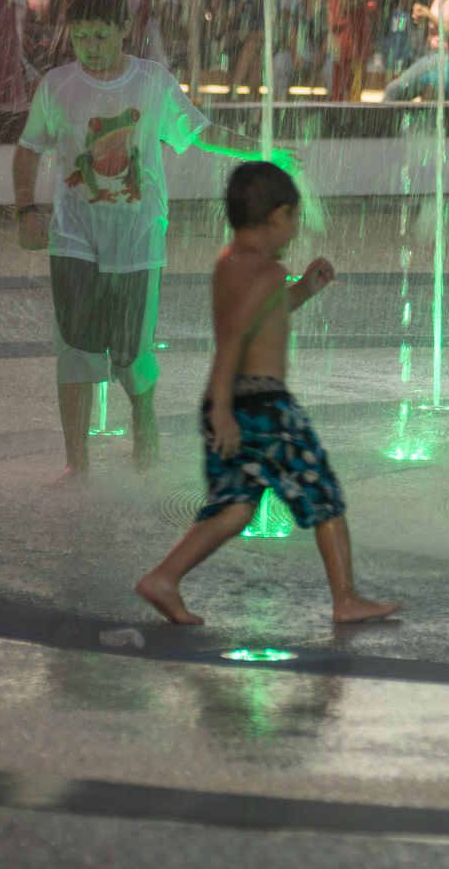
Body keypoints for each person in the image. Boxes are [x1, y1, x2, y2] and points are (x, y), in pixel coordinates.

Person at [12, 0, 272, 481]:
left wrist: (262, 153)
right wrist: (27, 209)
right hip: (74, 237)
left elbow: (200, 132)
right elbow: (28, 149)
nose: (90, 46)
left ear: (125, 29)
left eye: (101, 34)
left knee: (131, 353)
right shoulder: (58, 86)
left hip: (138, 237)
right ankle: (77, 463)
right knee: (76, 348)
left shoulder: (151, 82)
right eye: (81, 34)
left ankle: (144, 419)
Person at [135, 161, 400, 627]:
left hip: (233, 403)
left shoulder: (229, 264)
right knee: (324, 496)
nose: (296, 231)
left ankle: (164, 577)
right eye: (295, 219)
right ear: (277, 216)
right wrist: (224, 410)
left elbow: (259, 319)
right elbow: (235, 338)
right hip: (264, 406)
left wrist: (306, 290)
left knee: (234, 508)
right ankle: (346, 598)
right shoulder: (269, 273)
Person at [271, 0, 332, 93]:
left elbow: (331, 34)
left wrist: (321, 54)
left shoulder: (327, 4)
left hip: (325, 53)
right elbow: (293, 33)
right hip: (304, 52)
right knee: (279, 62)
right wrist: (294, 53)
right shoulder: (298, 5)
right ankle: (280, 104)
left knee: (330, 69)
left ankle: (332, 106)